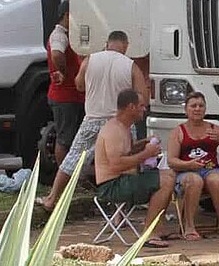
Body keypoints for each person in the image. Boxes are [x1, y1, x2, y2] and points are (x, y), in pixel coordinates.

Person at [38, 31, 147, 212]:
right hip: (120, 123)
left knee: (73, 158)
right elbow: (142, 95)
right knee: (125, 161)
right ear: (126, 45)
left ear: (107, 43)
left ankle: (52, 198)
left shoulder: (90, 60)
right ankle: (121, 212)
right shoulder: (131, 66)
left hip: (93, 118)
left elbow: (79, 84)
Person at [95, 89, 175, 248]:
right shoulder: (113, 130)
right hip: (112, 186)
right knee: (166, 180)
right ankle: (148, 233)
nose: (144, 109)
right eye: (141, 106)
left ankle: (157, 228)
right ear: (131, 107)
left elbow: (127, 152)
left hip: (124, 180)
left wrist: (144, 143)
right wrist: (146, 154)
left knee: (169, 174)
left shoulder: (124, 127)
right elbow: (116, 164)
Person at [166, 92, 219, 241]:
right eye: (193, 106)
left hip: (210, 169)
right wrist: (188, 164)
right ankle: (189, 227)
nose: (197, 109)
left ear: (205, 109)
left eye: (201, 106)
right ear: (186, 110)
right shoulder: (178, 132)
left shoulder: (214, 129)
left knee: (217, 180)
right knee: (194, 180)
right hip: (186, 171)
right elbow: (171, 161)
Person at [47, 1, 84, 165]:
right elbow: (56, 54)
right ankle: (65, 175)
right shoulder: (59, 35)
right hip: (64, 97)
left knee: (72, 137)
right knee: (65, 139)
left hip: (73, 96)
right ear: (67, 16)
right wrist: (63, 71)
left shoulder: (69, 36)